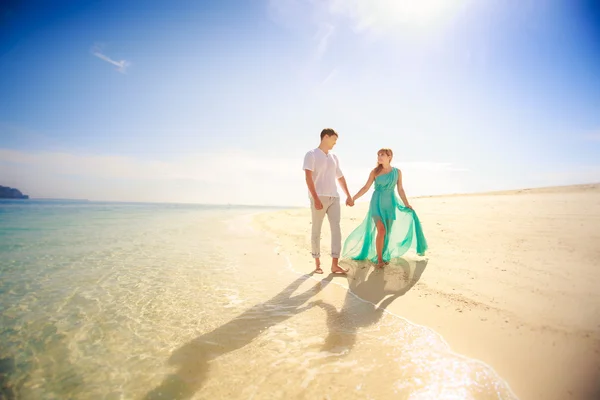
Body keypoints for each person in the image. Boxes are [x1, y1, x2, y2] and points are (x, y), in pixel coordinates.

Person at [342, 148, 428, 268]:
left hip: (390, 203)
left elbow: (400, 189)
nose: (379, 157)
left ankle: (381, 255)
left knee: (387, 232)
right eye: (378, 155)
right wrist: (353, 198)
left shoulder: (397, 172)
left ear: (390, 156)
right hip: (376, 203)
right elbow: (366, 187)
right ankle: (380, 259)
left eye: (382, 155)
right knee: (381, 230)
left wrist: (406, 203)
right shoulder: (375, 172)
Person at [302, 128, 353, 275]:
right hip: (318, 197)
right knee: (316, 230)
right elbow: (308, 178)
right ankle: (317, 263)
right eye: (334, 139)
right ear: (325, 137)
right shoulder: (311, 154)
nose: (335, 143)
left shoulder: (334, 157)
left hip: (334, 197)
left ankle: (334, 265)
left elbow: (340, 177)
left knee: (336, 229)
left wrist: (348, 195)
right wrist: (315, 198)